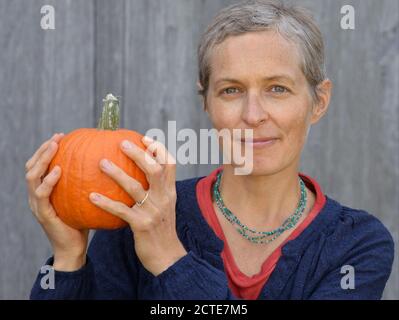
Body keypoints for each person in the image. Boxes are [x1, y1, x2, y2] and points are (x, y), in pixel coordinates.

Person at [27, 0, 394, 300]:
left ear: (318, 101)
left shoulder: (357, 244)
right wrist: (68, 256)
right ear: (207, 102)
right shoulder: (137, 218)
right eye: (231, 90)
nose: (253, 115)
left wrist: (170, 258)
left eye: (277, 89)